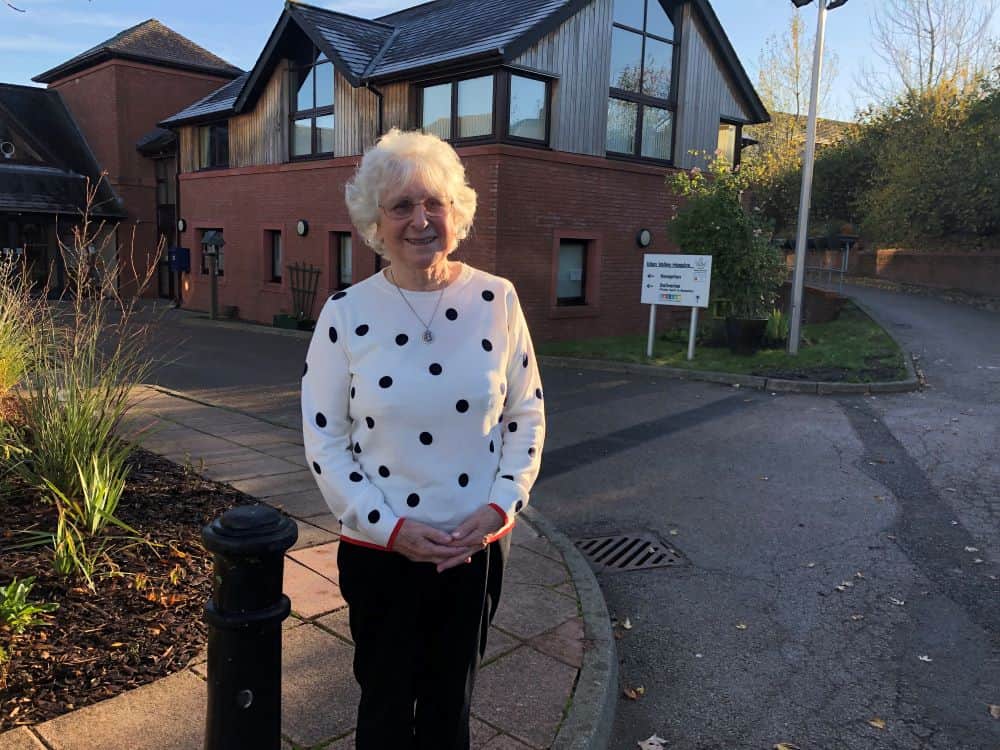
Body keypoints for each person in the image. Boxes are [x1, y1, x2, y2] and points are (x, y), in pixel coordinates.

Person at [301, 128, 545, 750]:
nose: (420, 220)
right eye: (401, 206)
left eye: (433, 202)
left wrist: (497, 510)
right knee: (383, 703)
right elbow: (326, 441)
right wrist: (390, 528)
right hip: (382, 552)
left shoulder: (498, 299)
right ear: (376, 223)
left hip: (475, 547)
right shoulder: (345, 313)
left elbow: (526, 416)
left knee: (449, 706)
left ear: (455, 212)